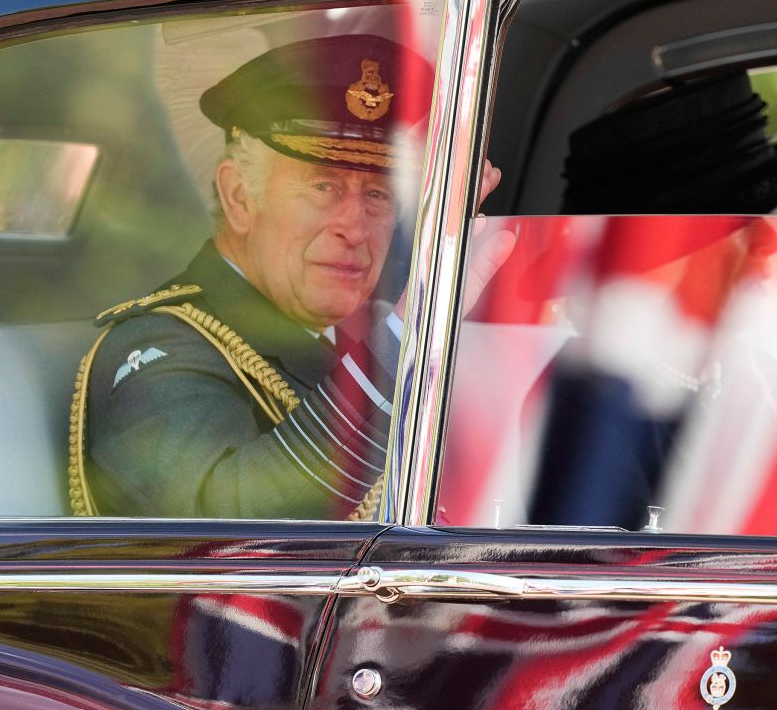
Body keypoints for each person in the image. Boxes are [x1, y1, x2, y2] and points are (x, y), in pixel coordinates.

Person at [68, 34, 513, 519]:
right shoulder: (158, 345)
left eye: (379, 195)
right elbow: (226, 530)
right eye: (322, 186)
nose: (356, 227)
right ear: (240, 197)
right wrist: (410, 332)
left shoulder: (364, 333)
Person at [524, 72, 777, 536]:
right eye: (744, 225)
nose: (772, 243)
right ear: (668, 252)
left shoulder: (757, 378)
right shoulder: (597, 405)